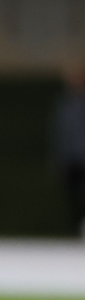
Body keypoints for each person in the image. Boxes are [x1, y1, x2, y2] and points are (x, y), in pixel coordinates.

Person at [50, 61, 85, 237]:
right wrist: (58, 157)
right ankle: (74, 227)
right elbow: (59, 131)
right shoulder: (63, 103)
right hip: (71, 157)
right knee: (72, 195)